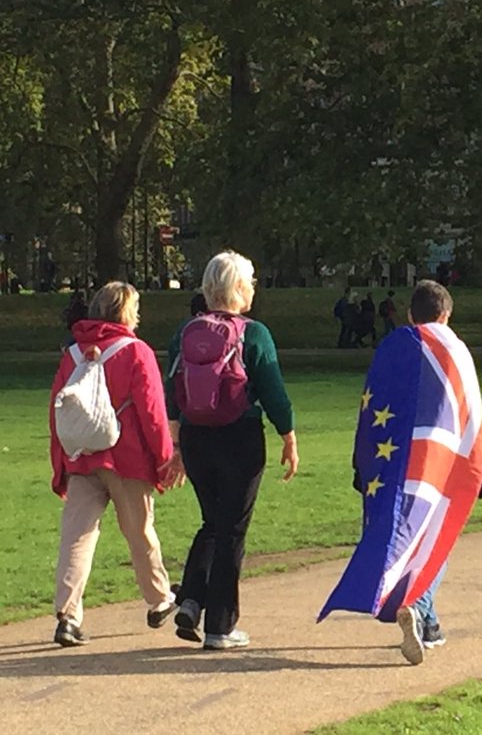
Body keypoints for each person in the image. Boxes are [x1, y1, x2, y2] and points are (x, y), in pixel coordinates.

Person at [326, 280, 482, 665]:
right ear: (447, 315)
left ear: (410, 314)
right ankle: (420, 607)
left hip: (394, 458)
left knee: (400, 530)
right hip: (442, 459)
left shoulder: (393, 348)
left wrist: (361, 460)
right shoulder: (456, 350)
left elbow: (373, 405)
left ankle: (422, 615)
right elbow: (470, 412)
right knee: (436, 534)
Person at [167, 250, 299, 650]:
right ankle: (221, 626)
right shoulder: (253, 334)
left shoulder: (185, 332)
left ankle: (191, 599)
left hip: (195, 438)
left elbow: (173, 392)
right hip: (239, 436)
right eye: (251, 282)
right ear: (238, 288)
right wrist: (288, 435)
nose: (253, 289)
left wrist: (175, 444)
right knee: (233, 529)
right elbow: (273, 389)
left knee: (213, 521)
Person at [48, 281, 185, 647]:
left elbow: (56, 414)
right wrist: (163, 458)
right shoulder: (136, 352)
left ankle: (68, 614)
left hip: (80, 457)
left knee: (76, 538)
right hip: (127, 459)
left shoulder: (73, 353)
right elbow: (152, 413)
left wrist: (59, 464)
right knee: (139, 532)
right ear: (126, 312)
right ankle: (158, 600)